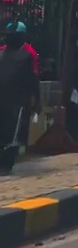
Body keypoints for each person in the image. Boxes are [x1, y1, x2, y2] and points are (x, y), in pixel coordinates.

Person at [0, 22, 39, 175]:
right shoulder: (1, 53)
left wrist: (37, 101)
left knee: (14, 134)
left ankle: (6, 164)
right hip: (5, 100)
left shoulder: (29, 55)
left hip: (19, 103)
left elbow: (33, 79)